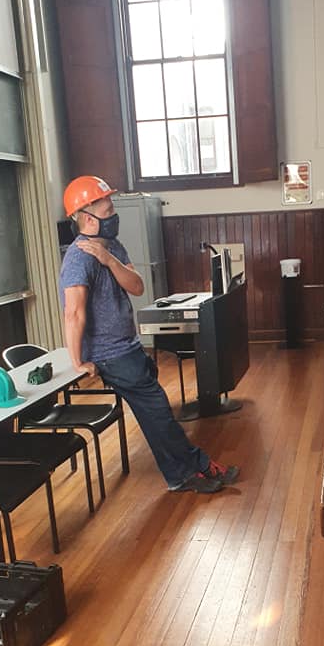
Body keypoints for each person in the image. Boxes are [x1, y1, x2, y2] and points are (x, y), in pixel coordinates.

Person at [58, 175, 239, 494]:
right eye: (107, 207)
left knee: (156, 414)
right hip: (110, 354)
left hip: (128, 346)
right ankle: (191, 468)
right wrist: (77, 361)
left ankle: (186, 470)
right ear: (87, 216)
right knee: (158, 411)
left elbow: (137, 286)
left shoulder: (112, 246)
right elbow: (73, 312)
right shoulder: (76, 258)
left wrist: (109, 260)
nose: (113, 213)